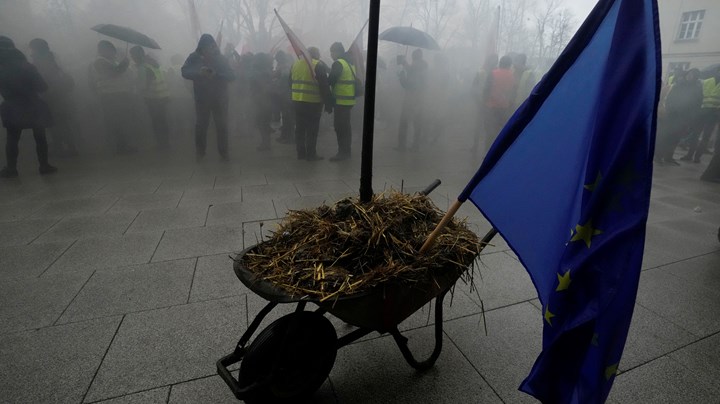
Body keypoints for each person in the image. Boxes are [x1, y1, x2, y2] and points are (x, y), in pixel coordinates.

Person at [0, 36, 56, 178]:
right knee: (39, 135)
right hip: (33, 104)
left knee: (12, 138)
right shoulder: (27, 66)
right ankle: (44, 165)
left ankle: (11, 168)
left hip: (12, 106)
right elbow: (42, 87)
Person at [182, 34, 235, 161]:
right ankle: (200, 152)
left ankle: (224, 151)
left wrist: (216, 75)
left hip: (220, 97)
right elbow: (184, 71)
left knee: (221, 124)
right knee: (201, 125)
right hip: (202, 97)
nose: (208, 50)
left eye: (211, 47)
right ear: (201, 47)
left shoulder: (220, 59)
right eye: (205, 47)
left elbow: (232, 76)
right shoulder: (194, 57)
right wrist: (198, 73)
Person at [29, 38, 78, 157]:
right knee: (61, 122)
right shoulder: (52, 57)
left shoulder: (40, 60)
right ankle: (69, 147)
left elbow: (41, 77)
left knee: (54, 123)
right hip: (59, 94)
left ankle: (62, 148)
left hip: (49, 95)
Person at [89, 40, 136, 154]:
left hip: (119, 93)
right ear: (103, 50)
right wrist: (124, 63)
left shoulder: (112, 61)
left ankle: (123, 144)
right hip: (110, 95)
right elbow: (115, 72)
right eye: (111, 51)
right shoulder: (99, 62)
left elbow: (122, 73)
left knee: (122, 120)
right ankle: (120, 146)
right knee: (116, 121)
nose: (113, 53)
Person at [290, 46, 332, 161]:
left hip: (297, 101)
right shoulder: (317, 65)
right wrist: (328, 103)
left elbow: (290, 82)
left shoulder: (296, 64)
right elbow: (324, 86)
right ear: (317, 54)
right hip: (313, 102)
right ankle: (311, 154)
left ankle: (300, 153)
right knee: (312, 129)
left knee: (299, 128)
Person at [654, 69, 703, 165]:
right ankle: (658, 156)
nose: (690, 76)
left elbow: (698, 102)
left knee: (675, 138)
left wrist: (692, 116)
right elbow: (670, 99)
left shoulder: (697, 88)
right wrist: (671, 110)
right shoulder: (679, 85)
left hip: (684, 117)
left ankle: (669, 157)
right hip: (672, 115)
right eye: (689, 74)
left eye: (693, 75)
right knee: (665, 136)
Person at [129, 46, 170, 150]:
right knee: (163, 121)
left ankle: (161, 145)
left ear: (137, 55)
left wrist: (134, 83)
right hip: (162, 96)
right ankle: (166, 143)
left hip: (153, 99)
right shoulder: (153, 64)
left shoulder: (143, 67)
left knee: (156, 122)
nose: (133, 58)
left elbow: (143, 86)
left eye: (133, 55)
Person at [682, 66, 720, 163]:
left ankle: (691, 155)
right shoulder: (706, 82)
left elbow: (698, 96)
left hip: (703, 112)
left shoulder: (706, 81)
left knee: (697, 134)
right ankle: (696, 157)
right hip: (712, 113)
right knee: (704, 137)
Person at [327, 42, 357, 161]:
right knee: (346, 127)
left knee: (340, 128)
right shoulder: (349, 63)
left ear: (338, 52)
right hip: (348, 100)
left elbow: (331, 79)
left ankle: (342, 153)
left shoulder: (339, 63)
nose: (331, 55)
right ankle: (346, 151)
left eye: (332, 52)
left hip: (341, 101)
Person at [397, 48, 428, 151]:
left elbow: (409, 85)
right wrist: (404, 63)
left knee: (404, 121)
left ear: (414, 58)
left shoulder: (416, 67)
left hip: (411, 99)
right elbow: (411, 71)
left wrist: (401, 77)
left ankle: (402, 145)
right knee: (417, 122)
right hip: (420, 99)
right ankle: (416, 145)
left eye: (412, 57)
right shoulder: (422, 67)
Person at [483, 55, 515, 152]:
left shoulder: (493, 73)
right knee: (501, 133)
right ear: (509, 65)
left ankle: (487, 153)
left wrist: (484, 103)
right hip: (504, 108)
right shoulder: (512, 75)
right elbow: (513, 92)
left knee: (490, 134)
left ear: (500, 63)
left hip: (491, 107)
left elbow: (486, 90)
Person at [472, 54, 498, 153]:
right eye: (493, 60)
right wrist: (477, 101)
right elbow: (473, 87)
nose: (494, 62)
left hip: (491, 104)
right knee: (479, 126)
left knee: (488, 128)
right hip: (483, 102)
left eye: (495, 60)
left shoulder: (495, 72)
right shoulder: (481, 72)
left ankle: (485, 149)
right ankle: (476, 147)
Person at [250, 52, 274, 151]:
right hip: (267, 99)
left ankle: (265, 143)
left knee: (262, 122)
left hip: (261, 99)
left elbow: (257, 84)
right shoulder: (267, 70)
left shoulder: (257, 72)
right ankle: (266, 142)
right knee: (264, 122)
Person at [273, 50, 294, 144]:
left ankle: (289, 137)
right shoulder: (282, 65)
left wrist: (277, 74)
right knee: (285, 117)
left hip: (287, 94)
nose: (277, 62)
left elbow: (285, 77)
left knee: (288, 117)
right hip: (282, 93)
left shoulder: (286, 66)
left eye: (278, 60)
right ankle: (284, 135)